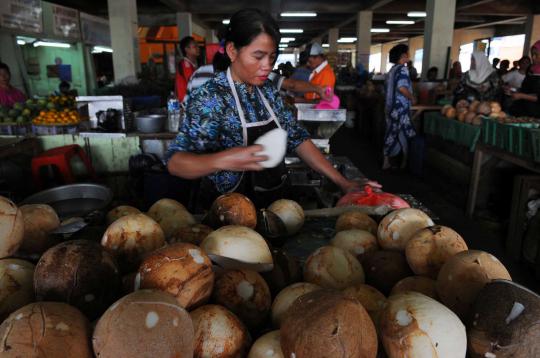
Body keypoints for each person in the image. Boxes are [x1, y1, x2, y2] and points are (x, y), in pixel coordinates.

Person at [166, 9, 378, 207]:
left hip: (275, 205)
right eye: (258, 56)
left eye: (272, 57)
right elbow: (176, 161)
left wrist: (343, 182)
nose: (267, 65)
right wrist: (222, 160)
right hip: (228, 216)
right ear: (232, 50)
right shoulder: (211, 97)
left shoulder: (266, 90)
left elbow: (297, 138)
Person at [383, 44, 416, 170]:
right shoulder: (402, 69)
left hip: (390, 108)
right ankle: (404, 163)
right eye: (408, 53)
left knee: (391, 133)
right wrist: (412, 97)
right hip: (400, 109)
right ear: (403, 55)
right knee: (406, 134)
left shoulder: (392, 70)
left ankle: (387, 161)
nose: (409, 55)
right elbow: (402, 88)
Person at [509, 41, 540, 118]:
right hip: (523, 110)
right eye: (532, 54)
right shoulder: (531, 69)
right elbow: (527, 88)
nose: (533, 58)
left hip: (537, 114)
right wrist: (515, 90)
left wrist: (522, 96)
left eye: (536, 55)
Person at [175, 36, 200, 102]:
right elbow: (193, 83)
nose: (198, 48)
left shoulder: (193, 64)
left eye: (197, 46)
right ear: (187, 49)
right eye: (195, 47)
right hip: (187, 102)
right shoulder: (185, 65)